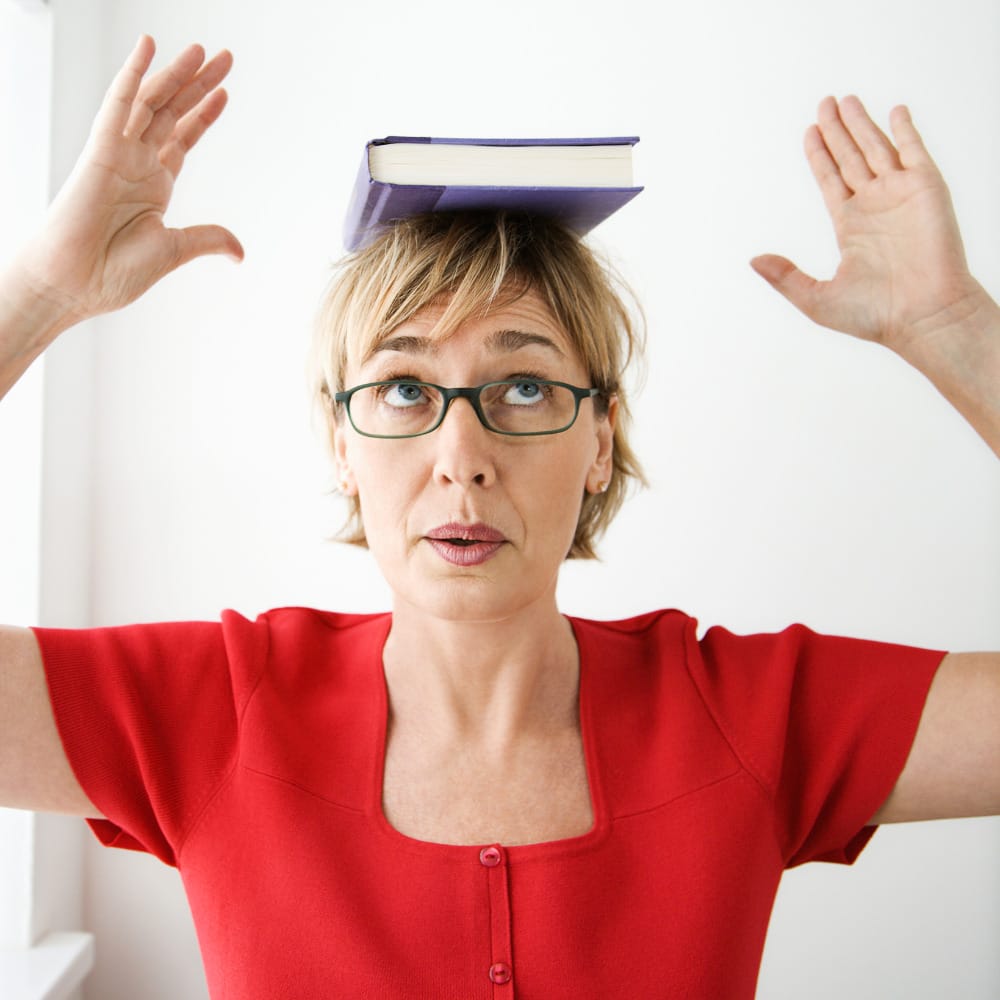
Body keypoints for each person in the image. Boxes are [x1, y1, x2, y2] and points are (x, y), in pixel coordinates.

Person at [0, 34, 998, 1000]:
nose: (462, 462)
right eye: (402, 389)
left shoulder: (748, 716)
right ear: (340, 444)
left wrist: (956, 331)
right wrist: (38, 292)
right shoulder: (207, 711)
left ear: (600, 439)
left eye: (523, 387)